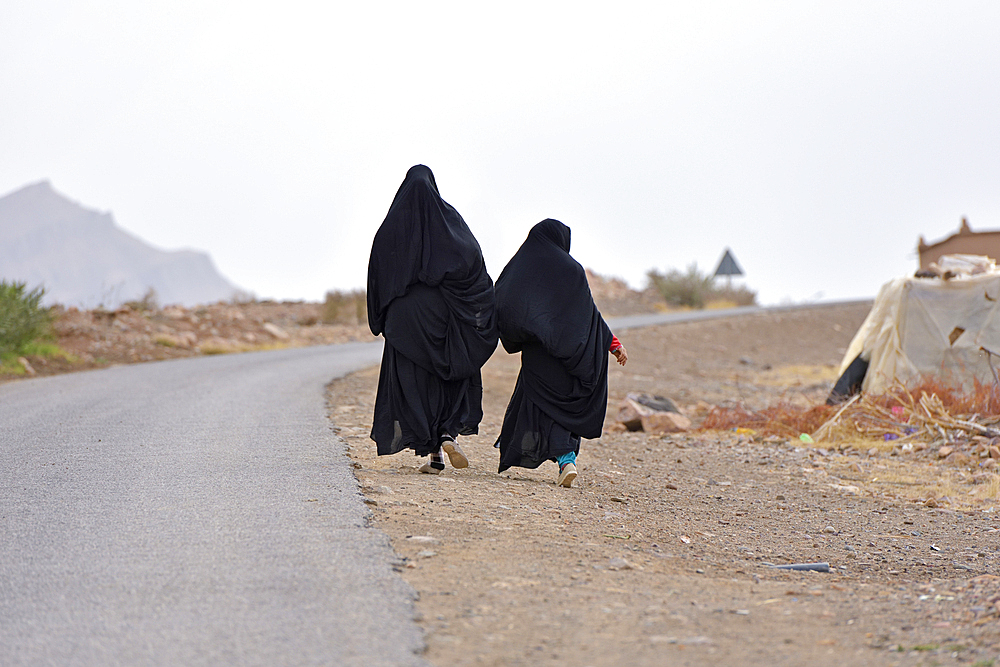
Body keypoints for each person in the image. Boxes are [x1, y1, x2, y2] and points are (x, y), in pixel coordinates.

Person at [367, 165, 499, 473]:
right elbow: (476, 269)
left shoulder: (391, 228)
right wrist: (476, 310)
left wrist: (382, 317)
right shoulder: (451, 223)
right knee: (451, 373)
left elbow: (378, 276)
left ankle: (433, 455)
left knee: (413, 384)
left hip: (406, 320)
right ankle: (447, 433)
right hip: (446, 315)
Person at [493, 219, 627, 487]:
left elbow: (500, 301)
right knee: (562, 405)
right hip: (567, 355)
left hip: (536, 356)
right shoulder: (571, 270)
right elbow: (587, 314)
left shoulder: (519, 266)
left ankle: (564, 459)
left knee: (540, 404)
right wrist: (612, 343)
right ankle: (567, 460)